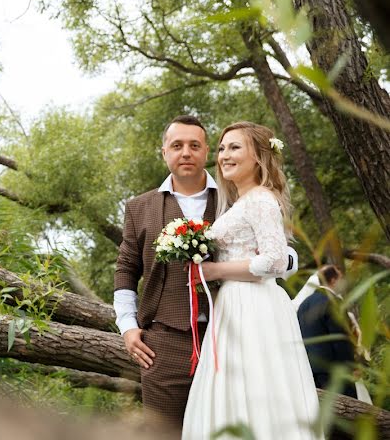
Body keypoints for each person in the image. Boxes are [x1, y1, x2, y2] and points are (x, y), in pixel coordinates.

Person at [114, 116, 298, 430]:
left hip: (234, 336)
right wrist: (128, 326)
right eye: (177, 145)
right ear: (164, 153)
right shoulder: (139, 207)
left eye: (194, 145)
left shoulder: (234, 198)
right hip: (165, 342)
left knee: (234, 428)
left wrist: (281, 263)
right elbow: (126, 270)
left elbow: (283, 255)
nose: (186, 152)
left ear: (205, 152)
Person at [182, 122, 321, 440]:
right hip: (235, 304)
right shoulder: (243, 202)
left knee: (256, 384)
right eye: (221, 149)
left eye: (234, 147)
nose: (224, 155)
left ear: (258, 156)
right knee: (236, 386)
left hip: (253, 306)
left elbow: (274, 259)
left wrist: (215, 272)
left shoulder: (260, 200)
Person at [297, 265, 357, 398]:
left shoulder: (304, 304)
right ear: (334, 280)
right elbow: (340, 340)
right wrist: (351, 367)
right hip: (334, 370)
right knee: (346, 412)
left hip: (310, 369)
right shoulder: (333, 302)